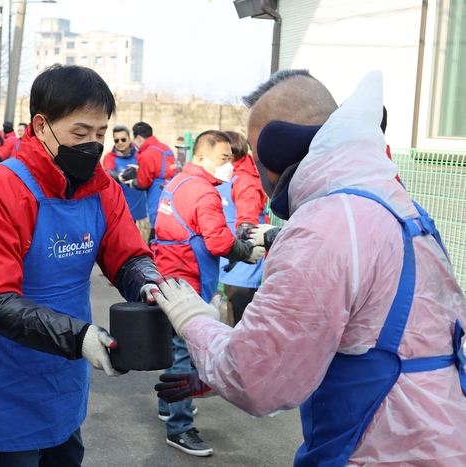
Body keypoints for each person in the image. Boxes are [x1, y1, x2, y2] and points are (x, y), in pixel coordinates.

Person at [150, 70, 466, 466]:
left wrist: (195, 321)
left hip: (382, 447)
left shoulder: (324, 225)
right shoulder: (397, 205)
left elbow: (257, 381)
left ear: (279, 149)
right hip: (437, 430)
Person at [0, 64, 163, 467]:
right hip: (5, 369)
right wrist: (79, 336)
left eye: (100, 134)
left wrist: (150, 285)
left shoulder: (102, 190)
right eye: (80, 134)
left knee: (66, 452)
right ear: (41, 126)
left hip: (65, 365)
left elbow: (128, 255)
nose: (93, 145)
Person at [152, 130, 265, 457]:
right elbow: (217, 241)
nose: (228, 166)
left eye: (230, 159)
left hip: (169, 273)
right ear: (202, 157)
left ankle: (167, 405)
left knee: (174, 346)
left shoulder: (176, 183)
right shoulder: (204, 192)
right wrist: (246, 252)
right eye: (223, 159)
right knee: (186, 351)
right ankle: (179, 427)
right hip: (189, 277)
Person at [217, 131, 268, 326]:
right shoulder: (229, 174)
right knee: (231, 309)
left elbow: (247, 223)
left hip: (241, 261)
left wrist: (241, 251)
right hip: (230, 256)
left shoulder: (244, 180)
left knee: (239, 317)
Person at [129, 122, 177, 244]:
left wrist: (133, 182)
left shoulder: (146, 154)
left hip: (157, 192)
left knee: (156, 226)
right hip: (172, 189)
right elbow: (162, 169)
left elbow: (143, 182)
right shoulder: (166, 148)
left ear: (138, 137)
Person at [102, 125, 147, 224]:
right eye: (116, 140)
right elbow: (108, 171)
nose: (120, 142)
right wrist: (120, 176)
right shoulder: (110, 157)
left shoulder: (140, 154)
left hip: (137, 207)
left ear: (130, 139)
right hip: (119, 207)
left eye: (123, 139)